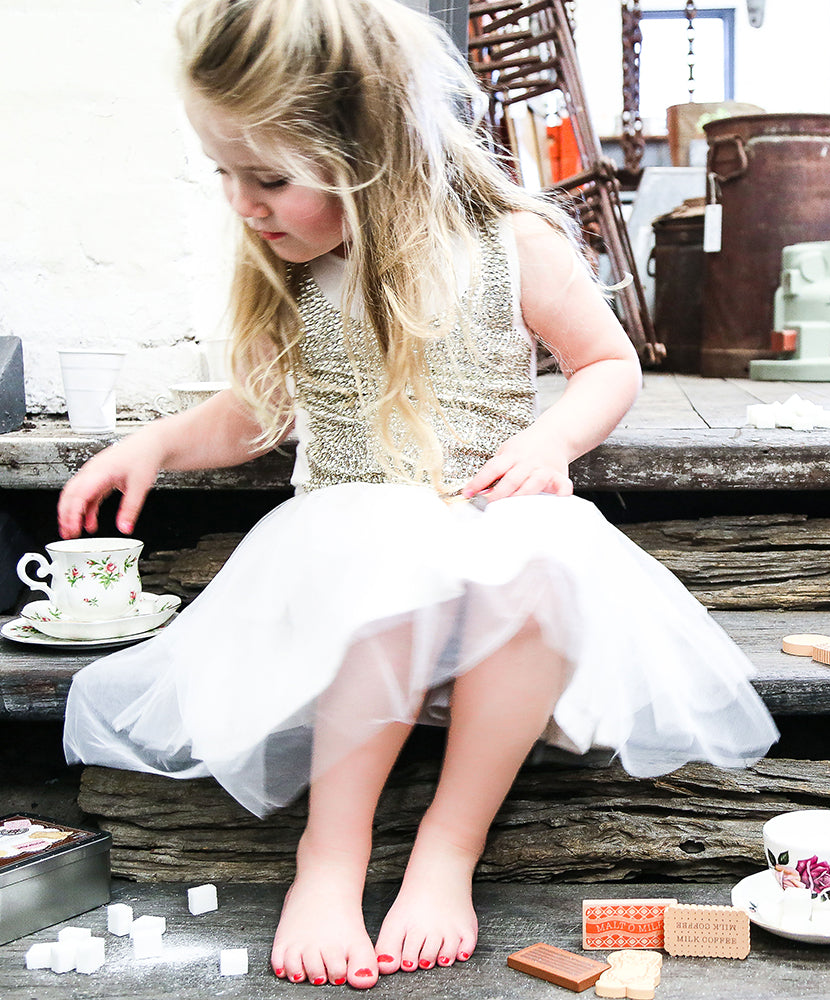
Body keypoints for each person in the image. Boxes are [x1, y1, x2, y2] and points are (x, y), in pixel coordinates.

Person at [58, 0, 778, 989]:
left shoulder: (506, 245)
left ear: (368, 148)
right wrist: (155, 444)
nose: (242, 202)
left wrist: (550, 439)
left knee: (548, 575)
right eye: (224, 173)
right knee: (387, 555)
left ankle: (449, 843)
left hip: (484, 525)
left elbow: (606, 361)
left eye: (266, 176)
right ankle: (332, 849)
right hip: (353, 547)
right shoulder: (293, 271)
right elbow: (254, 412)